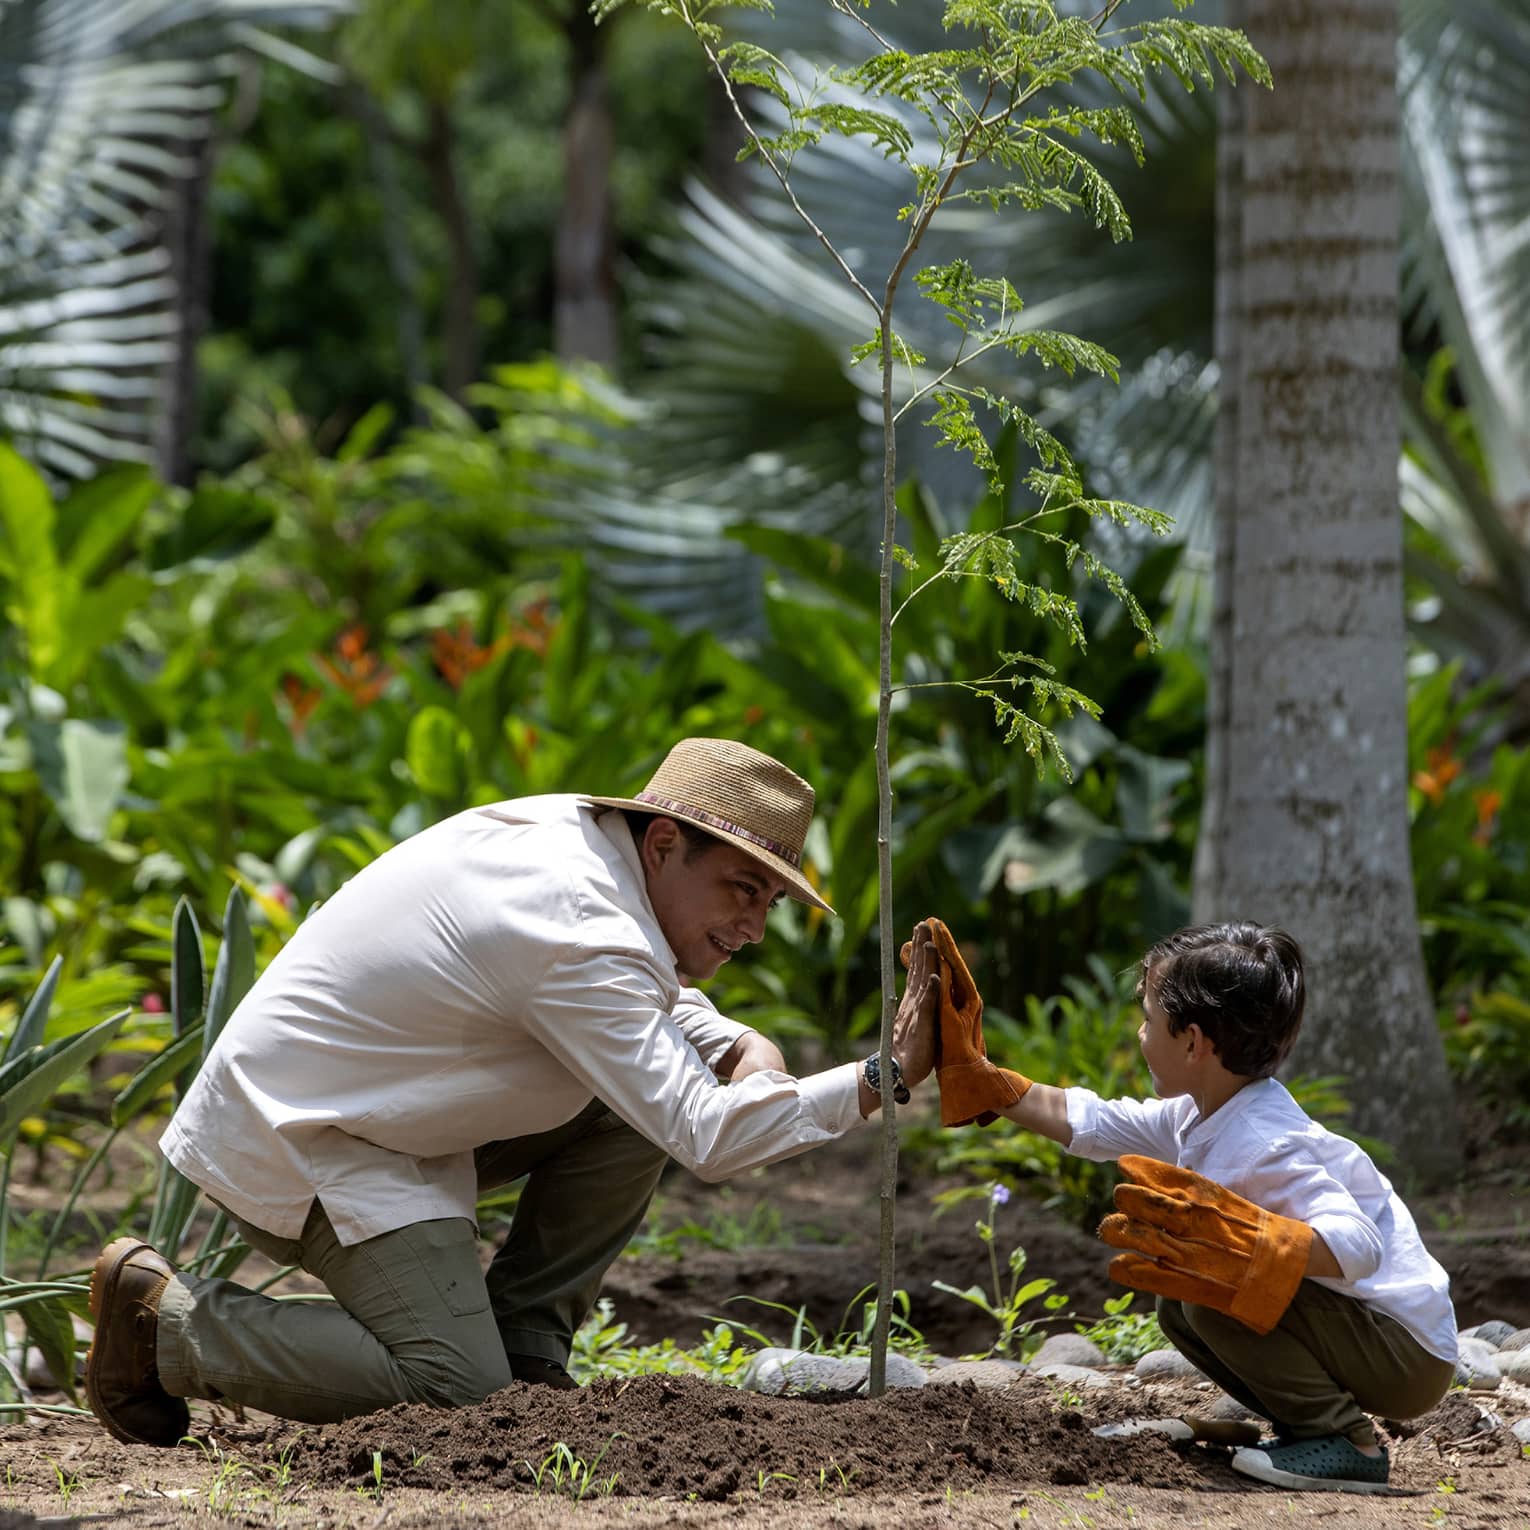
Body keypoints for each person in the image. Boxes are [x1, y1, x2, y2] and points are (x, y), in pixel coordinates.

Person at [85, 737, 939, 1447]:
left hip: (391, 1106)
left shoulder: (592, 855)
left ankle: (528, 1352)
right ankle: (163, 1322)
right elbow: (707, 1136)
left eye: (771, 903)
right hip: (310, 1135)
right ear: (665, 844)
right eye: (743, 890)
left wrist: (741, 1042)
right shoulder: (577, 922)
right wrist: (883, 1077)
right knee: (454, 1390)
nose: (754, 927)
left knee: (640, 1103)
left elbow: (646, 1002)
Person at [923, 917, 1457, 1495]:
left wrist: (1261, 1248)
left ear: (1194, 1042)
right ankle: (1303, 1426)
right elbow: (1097, 1121)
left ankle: (1347, 1442)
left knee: (1212, 1292)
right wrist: (986, 1079)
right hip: (1379, 1338)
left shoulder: (1264, 1141)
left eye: (1148, 1019)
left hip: (1405, 1351)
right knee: (1184, 1298)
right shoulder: (1204, 1111)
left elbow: (1360, 1244)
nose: (1139, 1033)